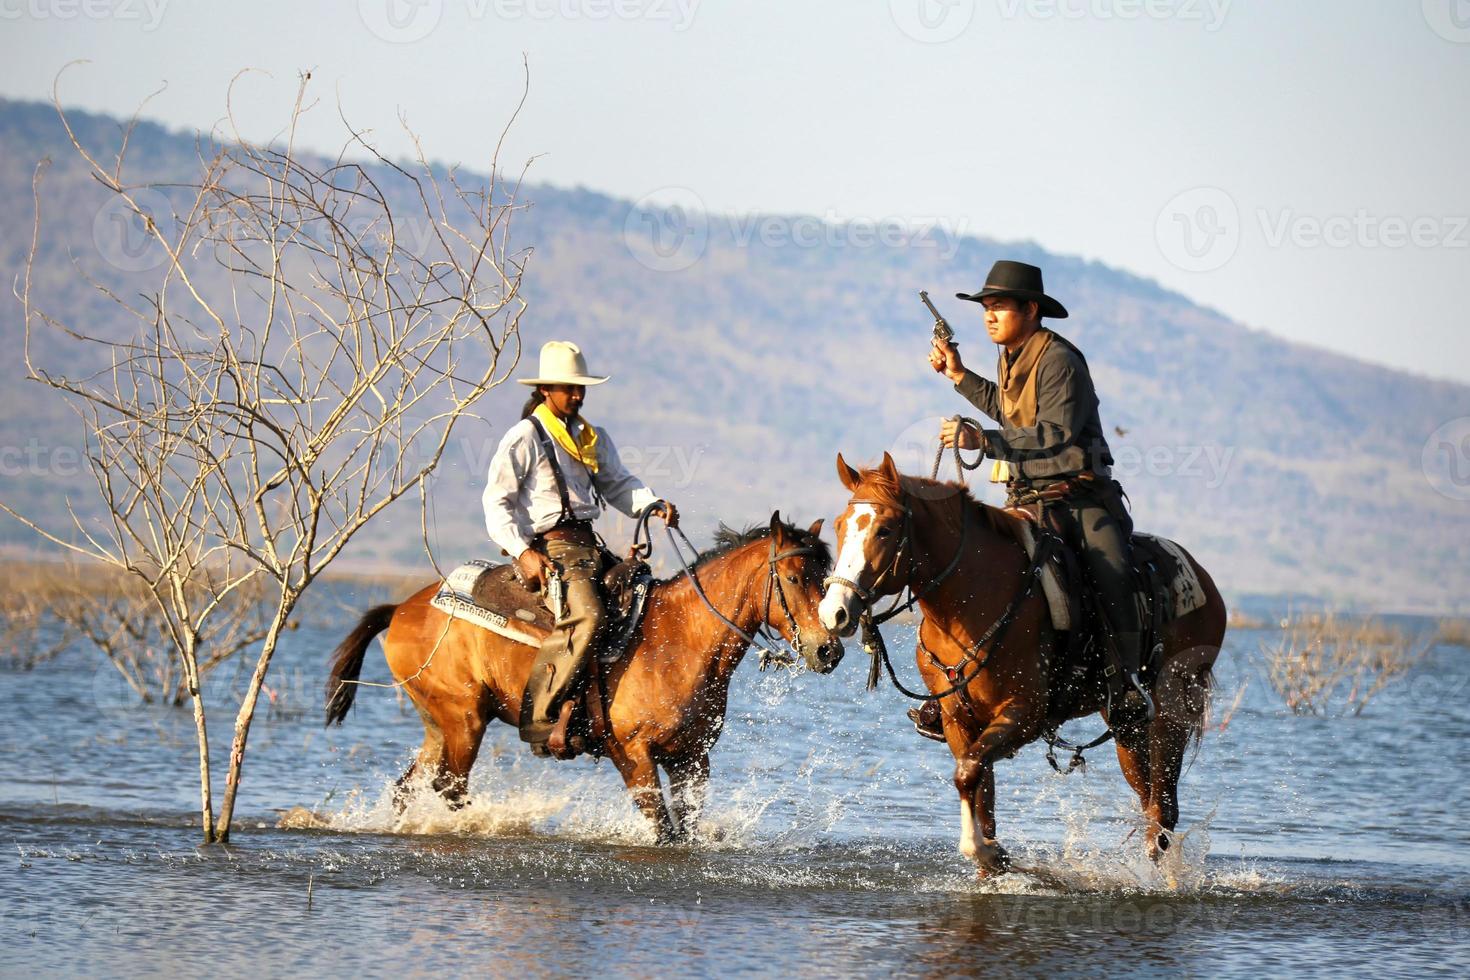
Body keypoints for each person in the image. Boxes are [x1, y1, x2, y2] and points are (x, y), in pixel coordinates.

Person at [927, 260, 1154, 724]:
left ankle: (1125, 683)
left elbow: (1054, 433)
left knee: (1111, 572)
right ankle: (955, 685)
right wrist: (959, 376)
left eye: (1000, 307)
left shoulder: (1060, 360)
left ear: (1030, 309)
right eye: (986, 308)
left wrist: (983, 442)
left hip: (1080, 500)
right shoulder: (1010, 354)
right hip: (1027, 497)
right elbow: (1011, 413)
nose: (989, 316)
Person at [483, 340, 678, 757]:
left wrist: (652, 504)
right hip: (551, 548)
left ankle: (612, 711)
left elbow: (619, 485)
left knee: (645, 602)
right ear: (544, 391)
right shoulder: (525, 436)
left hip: (589, 544)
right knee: (588, 615)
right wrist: (521, 551)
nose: (576, 395)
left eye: (579, 388)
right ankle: (542, 718)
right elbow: (495, 501)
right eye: (567, 388)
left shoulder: (591, 436)